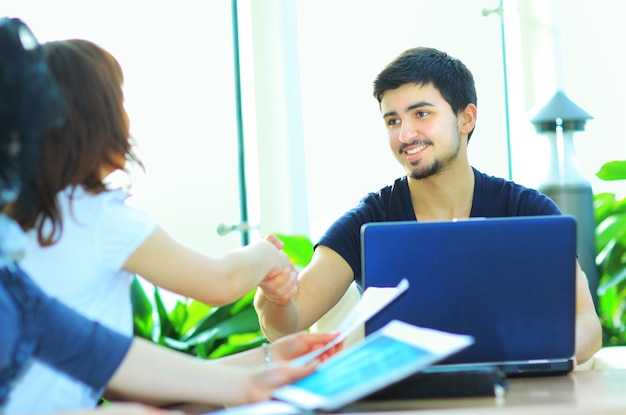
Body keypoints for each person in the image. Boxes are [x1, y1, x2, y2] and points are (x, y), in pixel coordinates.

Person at [0, 17, 339, 415]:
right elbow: (221, 281)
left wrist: (262, 367)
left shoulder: (24, 275)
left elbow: (109, 364)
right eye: (120, 102)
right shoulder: (92, 216)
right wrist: (267, 257)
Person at [254, 46, 603, 365]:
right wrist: (274, 296)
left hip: (516, 392)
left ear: (466, 118)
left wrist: (521, 353)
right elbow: (289, 323)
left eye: (421, 114)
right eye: (393, 121)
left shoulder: (528, 210)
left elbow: (587, 323)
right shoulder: (368, 220)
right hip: (409, 398)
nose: (405, 135)